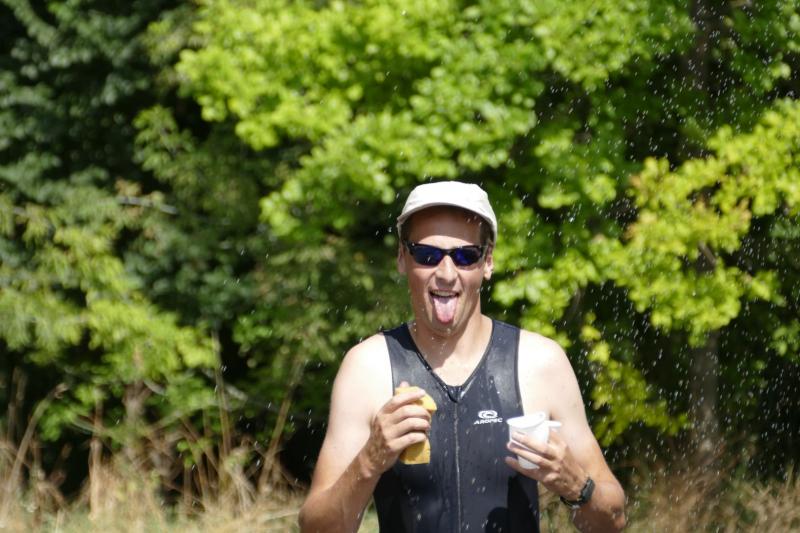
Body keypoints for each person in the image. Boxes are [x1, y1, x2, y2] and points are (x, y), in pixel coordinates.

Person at [299, 181, 626, 532]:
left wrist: (577, 486)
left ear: (488, 262)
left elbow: (613, 521)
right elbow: (316, 528)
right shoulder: (368, 368)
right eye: (427, 255)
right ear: (402, 258)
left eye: (466, 256)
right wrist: (369, 461)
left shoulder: (539, 363)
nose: (446, 273)